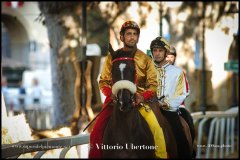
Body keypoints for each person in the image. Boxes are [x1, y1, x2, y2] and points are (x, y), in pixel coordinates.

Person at [89, 21, 168, 158]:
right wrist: (110, 94)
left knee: (156, 129)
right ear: (121, 37)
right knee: (95, 131)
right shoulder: (111, 58)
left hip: (141, 101)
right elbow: (103, 81)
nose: (132, 37)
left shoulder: (145, 59)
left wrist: (142, 97)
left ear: (138, 37)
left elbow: (153, 84)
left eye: (135, 34)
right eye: (128, 34)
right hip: (115, 100)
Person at [150, 36, 192, 158]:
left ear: (165, 52)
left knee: (179, 134)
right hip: (148, 109)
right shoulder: (147, 70)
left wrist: (166, 103)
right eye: (155, 51)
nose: (157, 54)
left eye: (160, 51)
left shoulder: (177, 72)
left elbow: (182, 93)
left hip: (169, 110)